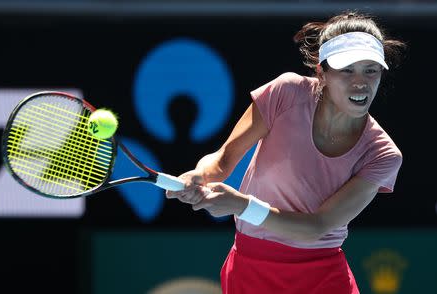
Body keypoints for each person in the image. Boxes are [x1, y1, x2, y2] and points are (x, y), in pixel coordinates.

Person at [166, 11, 406, 294]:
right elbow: (221, 161)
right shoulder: (286, 93)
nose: (361, 83)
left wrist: (242, 206)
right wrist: (199, 175)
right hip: (249, 269)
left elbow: (317, 226)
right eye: (346, 70)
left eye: (371, 70)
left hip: (323, 280)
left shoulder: (382, 154)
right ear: (322, 72)